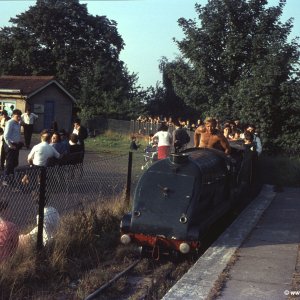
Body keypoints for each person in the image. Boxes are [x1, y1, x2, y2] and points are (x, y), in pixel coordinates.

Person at [3, 109, 23, 181]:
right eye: (17, 116)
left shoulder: (18, 123)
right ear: (13, 115)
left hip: (16, 145)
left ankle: (12, 178)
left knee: (15, 162)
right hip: (10, 145)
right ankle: (5, 179)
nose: (19, 118)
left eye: (20, 116)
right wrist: (10, 145)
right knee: (9, 163)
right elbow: (6, 136)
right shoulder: (10, 123)